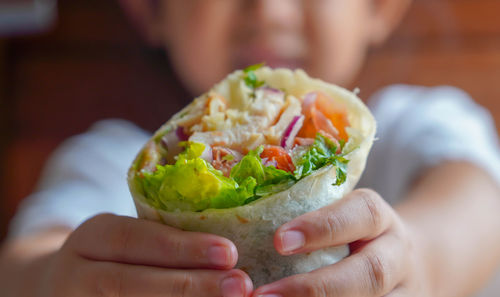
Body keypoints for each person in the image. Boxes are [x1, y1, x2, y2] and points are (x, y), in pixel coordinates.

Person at [1, 0, 500, 296]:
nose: (267, 9)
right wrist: (56, 277)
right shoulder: (104, 161)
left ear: (379, 6)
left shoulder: (421, 123)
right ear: (150, 8)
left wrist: (420, 261)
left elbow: (480, 206)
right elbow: (20, 266)